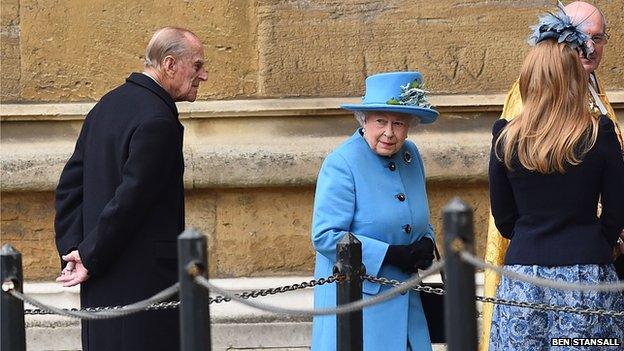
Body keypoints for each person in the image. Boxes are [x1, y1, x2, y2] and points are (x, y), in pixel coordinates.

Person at [54, 27, 208, 351]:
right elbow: (131, 199)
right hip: (143, 290)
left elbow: (69, 187)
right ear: (169, 64)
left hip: (100, 282)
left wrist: (75, 252)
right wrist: (86, 255)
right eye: (196, 66)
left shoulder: (106, 106)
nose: (203, 75)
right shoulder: (158, 120)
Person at [480, 2, 623, 348]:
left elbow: (504, 219)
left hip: (523, 276)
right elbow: (617, 209)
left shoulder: (506, 134)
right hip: (586, 276)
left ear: (530, 79)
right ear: (575, 77)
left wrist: (531, 238)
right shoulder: (598, 130)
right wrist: (594, 241)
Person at [311, 71, 439, 351]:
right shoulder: (342, 163)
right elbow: (325, 236)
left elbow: (416, 215)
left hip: (407, 300)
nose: (389, 133)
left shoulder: (410, 155)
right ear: (364, 120)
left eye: (399, 123)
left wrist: (427, 241)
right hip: (360, 306)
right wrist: (390, 254)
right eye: (381, 121)